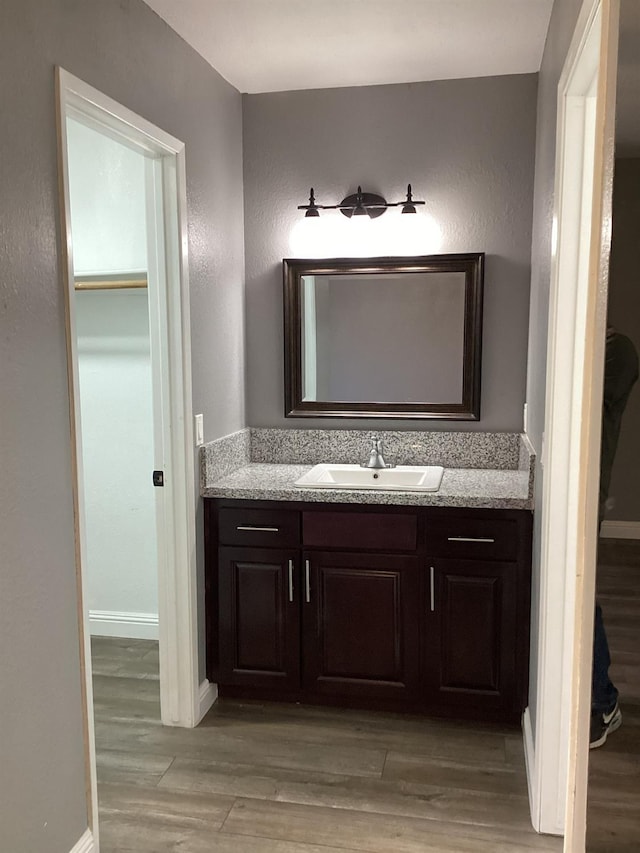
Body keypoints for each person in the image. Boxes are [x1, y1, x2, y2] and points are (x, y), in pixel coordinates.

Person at [590, 327, 639, 748]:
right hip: (575, 495)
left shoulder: (616, 348)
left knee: (582, 602)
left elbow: (581, 403)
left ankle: (600, 704)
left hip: (586, 497)